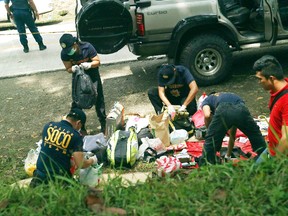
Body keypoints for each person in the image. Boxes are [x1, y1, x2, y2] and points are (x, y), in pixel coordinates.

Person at [30, 108, 98, 187]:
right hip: (59, 180)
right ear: (78, 123)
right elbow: (81, 164)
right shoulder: (76, 136)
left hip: (39, 177)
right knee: (82, 193)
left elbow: (52, 151)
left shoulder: (48, 126)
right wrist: (93, 160)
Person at [199, 92, 266, 165]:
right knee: (255, 135)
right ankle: (265, 158)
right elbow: (232, 135)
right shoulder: (229, 95)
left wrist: (210, 131)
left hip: (224, 108)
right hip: (241, 109)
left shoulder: (207, 100)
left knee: (210, 141)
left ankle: (206, 165)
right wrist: (228, 155)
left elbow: (207, 115)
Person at [59, 33, 107, 134]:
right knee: (77, 101)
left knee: (98, 98)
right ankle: (80, 128)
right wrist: (72, 69)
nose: (70, 52)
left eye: (71, 48)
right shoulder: (64, 53)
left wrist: (89, 65)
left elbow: (97, 62)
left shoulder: (87, 47)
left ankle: (103, 123)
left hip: (92, 73)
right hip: (78, 76)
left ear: (75, 43)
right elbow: (68, 68)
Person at [253, 55, 288, 161]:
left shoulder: (286, 100)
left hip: (278, 155)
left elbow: (286, 138)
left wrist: (275, 164)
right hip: (271, 149)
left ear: (272, 78)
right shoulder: (278, 90)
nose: (259, 83)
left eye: (260, 79)